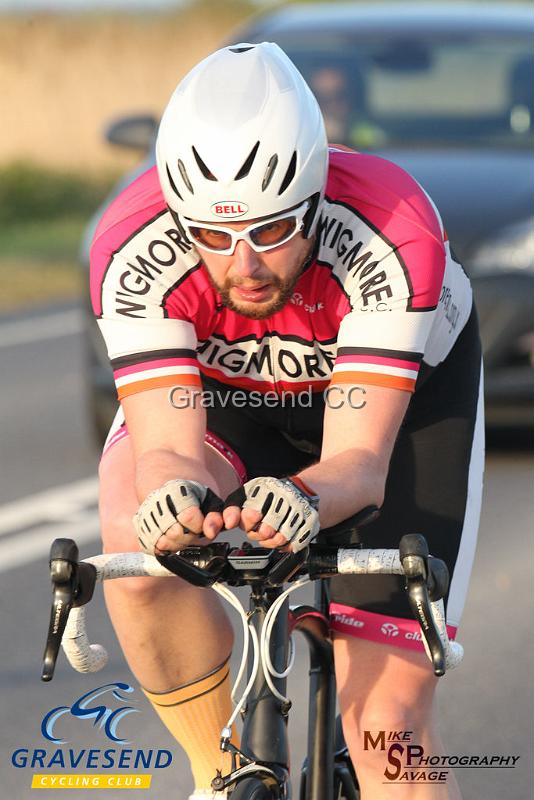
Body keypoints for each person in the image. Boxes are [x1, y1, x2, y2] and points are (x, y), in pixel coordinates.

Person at [90, 42, 483, 800]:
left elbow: (358, 466)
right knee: (133, 538)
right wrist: (172, 500)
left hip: (394, 408)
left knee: (388, 734)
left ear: (314, 194)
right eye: (212, 236)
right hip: (228, 398)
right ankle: (219, 772)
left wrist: (304, 497)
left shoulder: (390, 227)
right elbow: (167, 450)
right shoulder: (131, 243)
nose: (245, 266)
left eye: (273, 231)